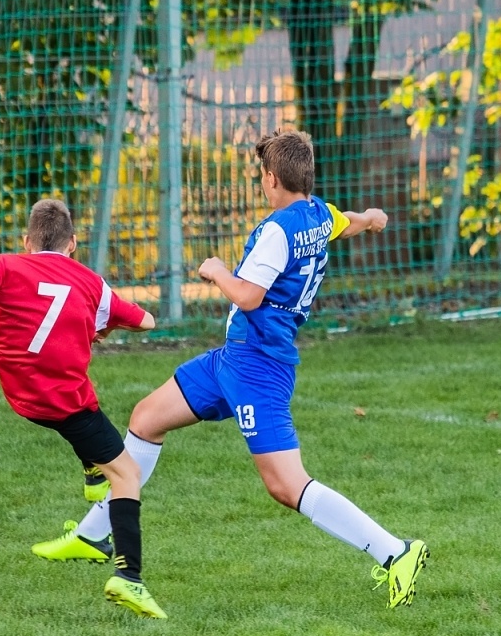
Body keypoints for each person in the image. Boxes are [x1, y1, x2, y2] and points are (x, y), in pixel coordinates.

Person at [32, 130, 429, 608]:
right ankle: (93, 535)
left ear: (271, 178)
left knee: (286, 485)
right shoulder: (319, 214)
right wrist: (373, 218)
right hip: (233, 358)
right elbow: (352, 222)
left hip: (258, 367)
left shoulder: (277, 231)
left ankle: (395, 552)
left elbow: (249, 296)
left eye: (261, 175)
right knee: (146, 418)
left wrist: (216, 269)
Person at [0, 198, 168, 617]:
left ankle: (91, 474)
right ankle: (129, 577)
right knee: (128, 474)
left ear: (27, 242)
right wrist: (104, 323)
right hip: (66, 403)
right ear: (73, 244)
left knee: (87, 427)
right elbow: (146, 321)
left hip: (22, 395)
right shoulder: (91, 282)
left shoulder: (5, 266)